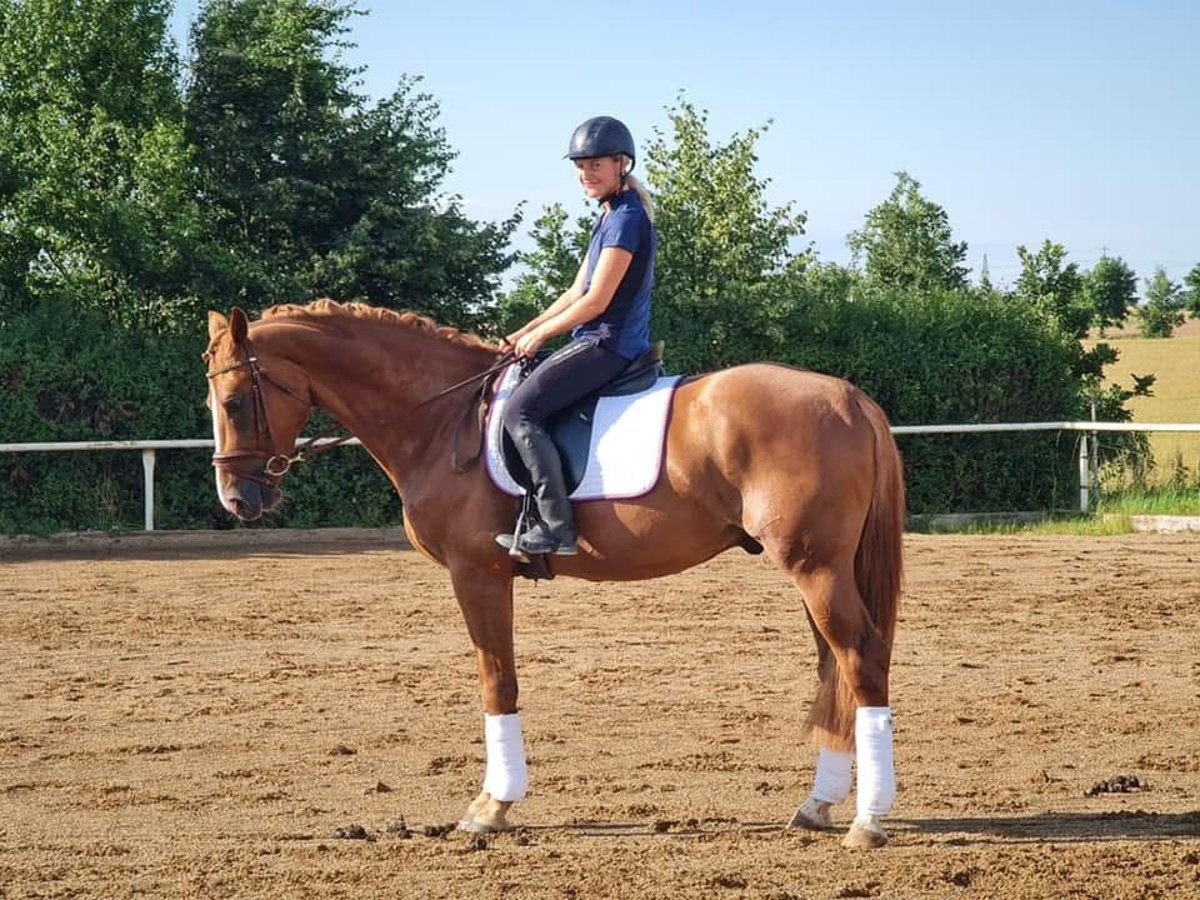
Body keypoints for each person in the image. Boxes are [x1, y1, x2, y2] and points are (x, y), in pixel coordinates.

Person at [496, 115, 657, 556]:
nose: (586, 174)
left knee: (520, 411)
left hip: (608, 343)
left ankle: (556, 526)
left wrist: (541, 337)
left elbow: (596, 302)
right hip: (599, 339)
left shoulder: (626, 220)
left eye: (595, 165)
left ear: (622, 164)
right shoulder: (609, 217)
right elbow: (574, 292)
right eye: (580, 166)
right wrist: (523, 332)